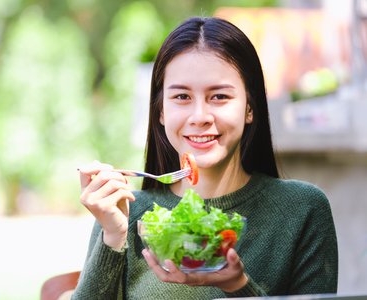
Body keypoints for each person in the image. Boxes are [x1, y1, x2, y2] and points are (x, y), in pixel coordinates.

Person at [72, 16, 338, 299]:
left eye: (219, 96)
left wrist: (238, 287)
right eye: (182, 97)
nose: (199, 117)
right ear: (161, 112)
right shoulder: (130, 214)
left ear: (250, 108)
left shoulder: (302, 209)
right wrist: (112, 237)